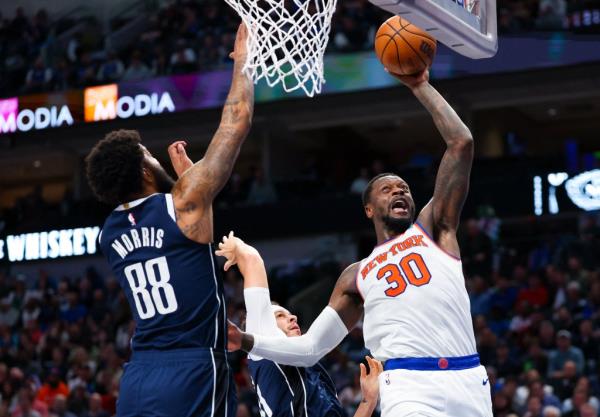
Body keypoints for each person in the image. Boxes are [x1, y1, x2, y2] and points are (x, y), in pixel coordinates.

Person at [229, 67, 493, 417]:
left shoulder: (435, 230)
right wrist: (244, 341)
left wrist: (420, 85)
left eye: (405, 188)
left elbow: (462, 144)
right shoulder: (357, 274)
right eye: (387, 189)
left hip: (469, 379)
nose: (399, 190)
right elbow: (310, 349)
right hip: (409, 387)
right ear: (369, 208)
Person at [84, 23, 254, 417]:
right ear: (145, 171)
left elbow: (166, 238)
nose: (157, 159)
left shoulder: (108, 234)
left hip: (139, 376)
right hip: (192, 368)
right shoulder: (182, 203)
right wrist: (244, 61)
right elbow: (237, 121)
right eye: (150, 156)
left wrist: (188, 183)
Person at [216, 232, 381, 417]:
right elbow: (253, 262)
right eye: (280, 315)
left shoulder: (315, 369)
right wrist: (238, 246)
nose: (292, 317)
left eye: (289, 314)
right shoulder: (265, 355)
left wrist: (368, 400)